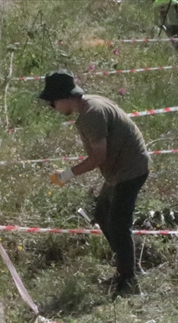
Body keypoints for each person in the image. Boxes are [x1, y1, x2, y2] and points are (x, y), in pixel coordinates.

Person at [39, 71, 151, 295]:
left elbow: (98, 156)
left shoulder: (92, 114)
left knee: (118, 225)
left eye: (53, 103)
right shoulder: (92, 104)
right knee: (102, 213)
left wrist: (66, 175)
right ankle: (127, 266)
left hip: (129, 171)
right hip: (121, 171)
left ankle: (128, 282)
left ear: (64, 97)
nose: (53, 108)